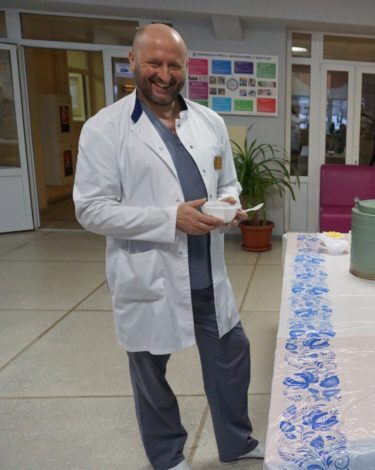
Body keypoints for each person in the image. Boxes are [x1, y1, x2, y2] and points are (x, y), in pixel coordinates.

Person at [73, 24, 263, 470]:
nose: (164, 73)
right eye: (154, 63)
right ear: (133, 62)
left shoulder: (209, 121)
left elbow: (228, 180)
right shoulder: (105, 129)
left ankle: (236, 442)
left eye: (173, 64)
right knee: (149, 374)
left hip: (206, 273)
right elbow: (92, 210)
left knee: (232, 354)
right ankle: (167, 456)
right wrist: (168, 218)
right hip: (149, 275)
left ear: (186, 68)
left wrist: (229, 202)